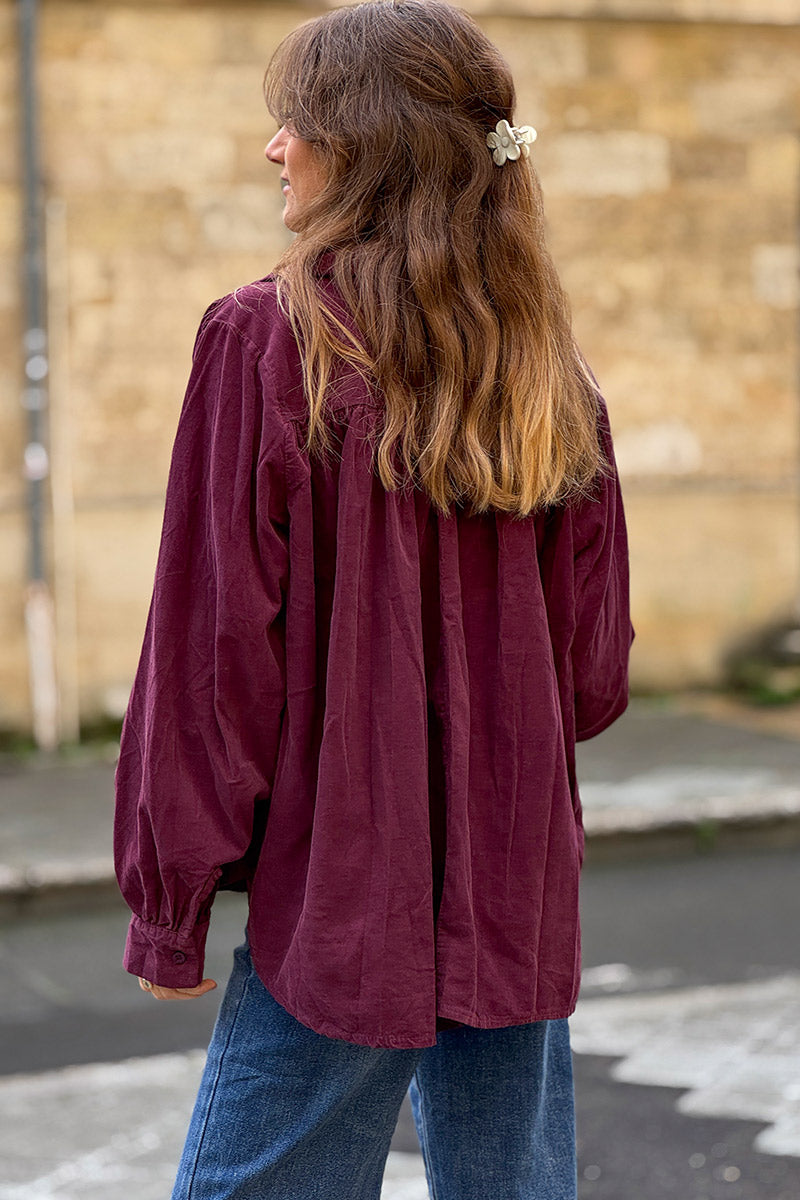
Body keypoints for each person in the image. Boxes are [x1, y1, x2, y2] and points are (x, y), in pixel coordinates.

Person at [113, 2, 633, 1197]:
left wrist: (170, 899)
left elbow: (211, 658)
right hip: (516, 882)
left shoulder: (268, 337)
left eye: (293, 121)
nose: (273, 147)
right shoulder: (548, 371)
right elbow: (591, 677)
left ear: (362, 143)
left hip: (343, 885)